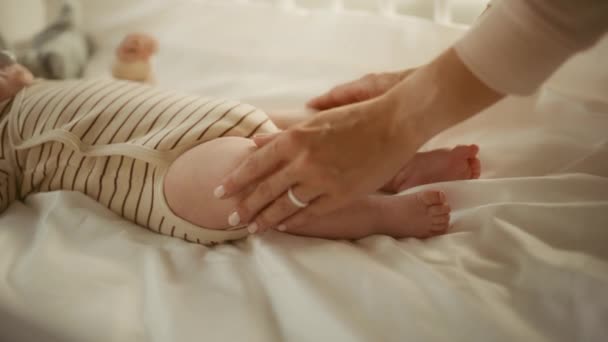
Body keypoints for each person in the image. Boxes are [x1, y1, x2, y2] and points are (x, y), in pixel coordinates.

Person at [0, 52, 481, 245]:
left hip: (207, 116)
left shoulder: (43, 85)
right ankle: (378, 212)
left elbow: (130, 93)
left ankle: (395, 162)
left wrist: (133, 65)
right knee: (252, 188)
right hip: (159, 174)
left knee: (307, 129)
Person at [215, 0, 608, 234]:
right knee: (224, 180)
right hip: (159, 151)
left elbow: (554, 13)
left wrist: (397, 119)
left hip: (179, 118)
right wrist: (411, 94)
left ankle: (395, 166)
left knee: (256, 127)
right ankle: (380, 206)